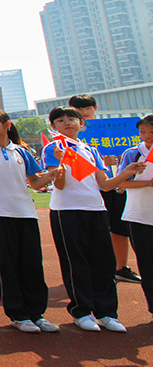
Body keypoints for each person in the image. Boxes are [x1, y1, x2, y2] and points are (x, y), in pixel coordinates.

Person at [0, 110, 61, 332]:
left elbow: (35, 182)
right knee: (8, 265)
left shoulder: (21, 151)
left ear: (6, 125)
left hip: (25, 212)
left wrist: (53, 175)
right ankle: (18, 314)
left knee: (33, 264)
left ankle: (37, 313)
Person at [42, 106, 139, 332]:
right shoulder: (53, 148)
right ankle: (82, 311)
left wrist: (126, 172)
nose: (67, 123)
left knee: (103, 262)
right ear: (53, 126)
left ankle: (107, 313)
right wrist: (61, 166)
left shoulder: (91, 150)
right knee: (76, 262)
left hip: (95, 209)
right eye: (60, 120)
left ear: (82, 123)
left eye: (71, 119)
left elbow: (104, 184)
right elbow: (59, 184)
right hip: (66, 210)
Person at [70, 94, 142, 285]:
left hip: (117, 184)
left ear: (95, 108)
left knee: (120, 227)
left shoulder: (114, 129)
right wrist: (101, 161)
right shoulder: (73, 135)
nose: (83, 113)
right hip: (93, 188)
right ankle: (98, 267)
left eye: (87, 108)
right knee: (97, 229)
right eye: (78, 110)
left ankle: (121, 267)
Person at [116, 114, 153, 319]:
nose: (147, 136)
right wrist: (147, 183)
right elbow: (121, 183)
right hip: (141, 215)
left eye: (151, 132)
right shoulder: (133, 153)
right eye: (142, 132)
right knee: (148, 263)